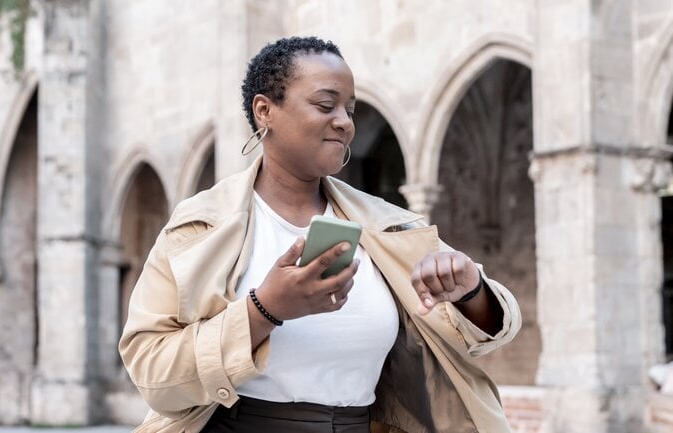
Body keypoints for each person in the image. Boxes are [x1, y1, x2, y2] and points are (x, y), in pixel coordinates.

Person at [119, 36, 521, 433]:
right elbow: (152, 372)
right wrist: (264, 310)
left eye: (350, 109)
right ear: (265, 111)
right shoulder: (199, 226)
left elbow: (487, 331)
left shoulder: (387, 226)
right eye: (325, 105)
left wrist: (470, 289)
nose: (344, 122)